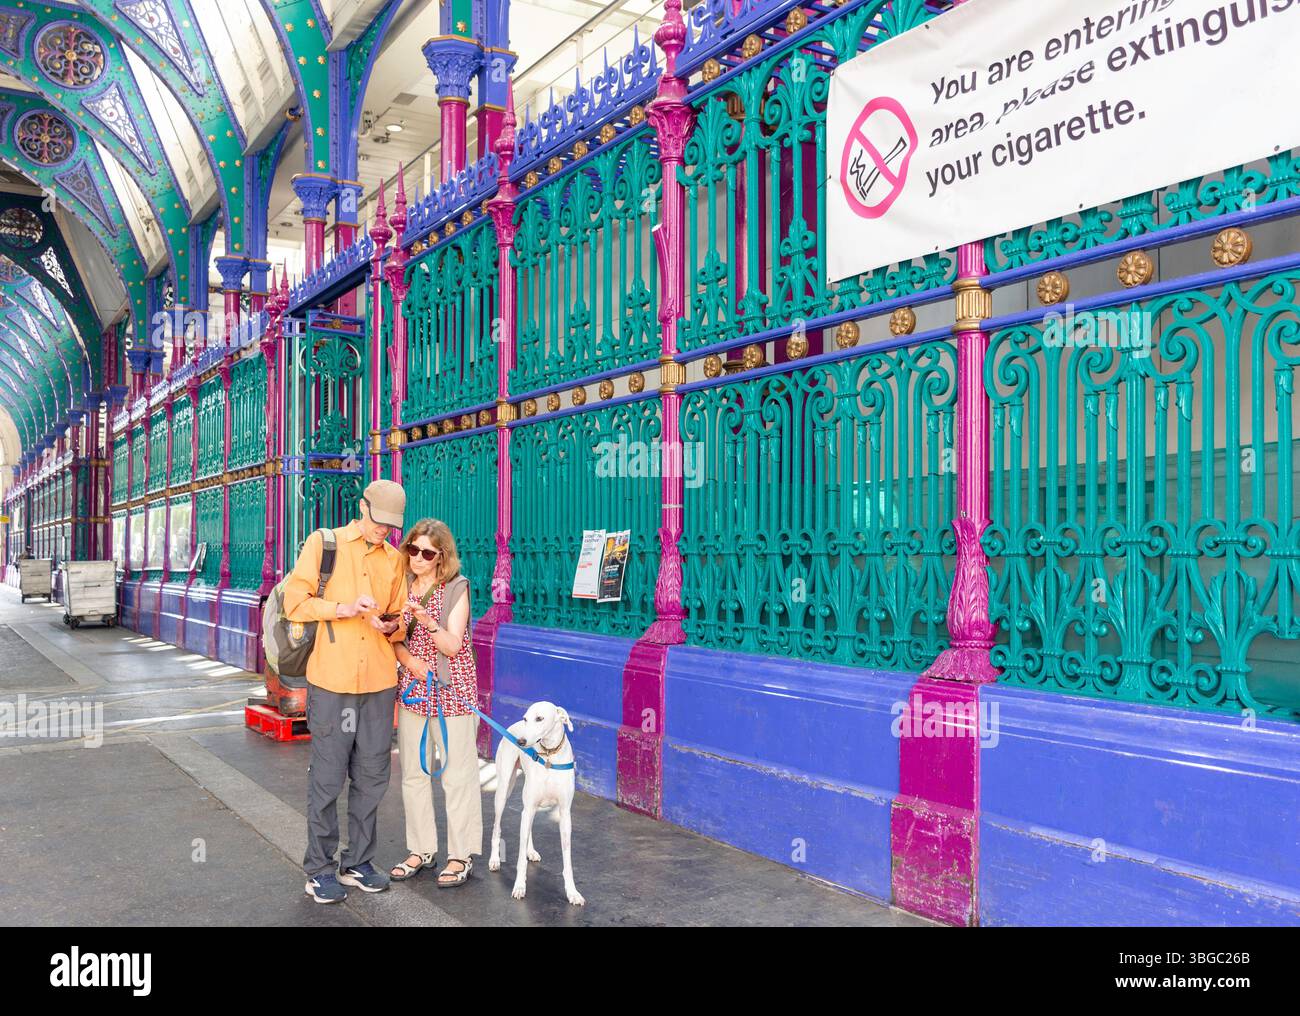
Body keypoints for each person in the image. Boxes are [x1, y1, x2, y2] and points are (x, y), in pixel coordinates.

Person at [282, 479, 408, 904]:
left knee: (373, 778)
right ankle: (319, 868)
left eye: (391, 526)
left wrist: (390, 624)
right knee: (328, 775)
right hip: (332, 683)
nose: (383, 531)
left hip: (378, 683)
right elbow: (294, 603)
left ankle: (358, 862)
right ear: (361, 508)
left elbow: (400, 619)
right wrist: (343, 609)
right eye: (378, 522)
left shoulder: (395, 560)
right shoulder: (325, 543)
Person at [388, 518, 483, 888]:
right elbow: (392, 637)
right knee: (413, 772)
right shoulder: (401, 586)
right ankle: (421, 849)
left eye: (427, 553)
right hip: (413, 689)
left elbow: (452, 646)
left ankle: (460, 855)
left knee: (458, 775)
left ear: (441, 557)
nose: (418, 558)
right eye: (413, 549)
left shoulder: (457, 588)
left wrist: (427, 622)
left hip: (451, 691)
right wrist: (409, 661)